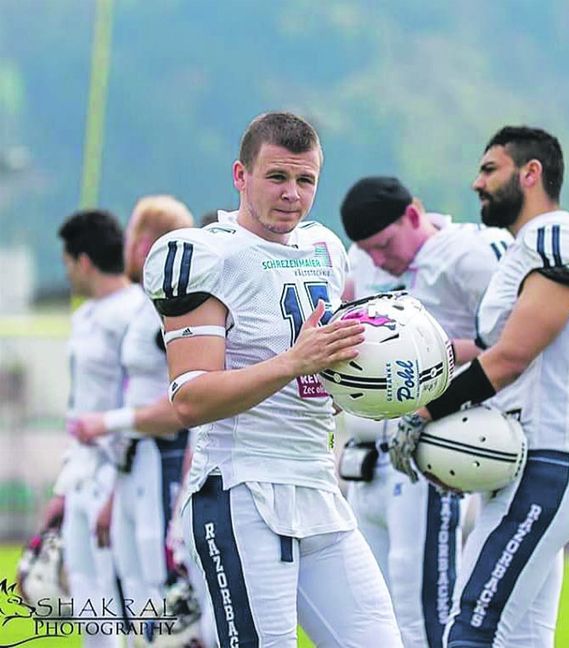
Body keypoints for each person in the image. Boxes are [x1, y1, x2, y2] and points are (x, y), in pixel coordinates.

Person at [142, 112, 401, 647]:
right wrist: (293, 362)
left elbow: (322, 372)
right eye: (276, 177)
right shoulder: (205, 254)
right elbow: (189, 399)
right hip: (243, 493)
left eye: (305, 180)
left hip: (318, 486)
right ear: (241, 176)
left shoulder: (325, 248)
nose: (292, 194)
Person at [391, 126, 569, 647]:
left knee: (471, 632)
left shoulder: (563, 239)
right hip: (521, 464)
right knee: (520, 639)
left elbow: (511, 358)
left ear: (530, 173)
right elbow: (494, 352)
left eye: (490, 169)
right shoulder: (523, 249)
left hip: (544, 462)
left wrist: (425, 415)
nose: (477, 183)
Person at [338, 176, 510, 648]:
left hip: (425, 450)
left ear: (413, 215)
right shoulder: (361, 262)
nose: (378, 258)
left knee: (421, 611)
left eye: (385, 244)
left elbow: (513, 342)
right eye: (367, 249)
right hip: (365, 455)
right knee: (371, 612)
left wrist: (444, 352)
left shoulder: (466, 256)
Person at [70, 195, 211, 644]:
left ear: (146, 243)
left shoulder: (175, 311)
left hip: (163, 453)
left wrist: (108, 423)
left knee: (163, 585)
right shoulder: (140, 310)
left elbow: (181, 407)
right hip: (131, 461)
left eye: (134, 235)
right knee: (134, 594)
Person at [56, 209, 146, 648]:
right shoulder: (84, 316)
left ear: (84, 261)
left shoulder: (132, 311)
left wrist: (116, 488)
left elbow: (138, 393)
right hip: (82, 470)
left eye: (68, 261)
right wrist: (62, 489)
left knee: (130, 597)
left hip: (120, 466)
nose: (67, 271)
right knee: (89, 603)